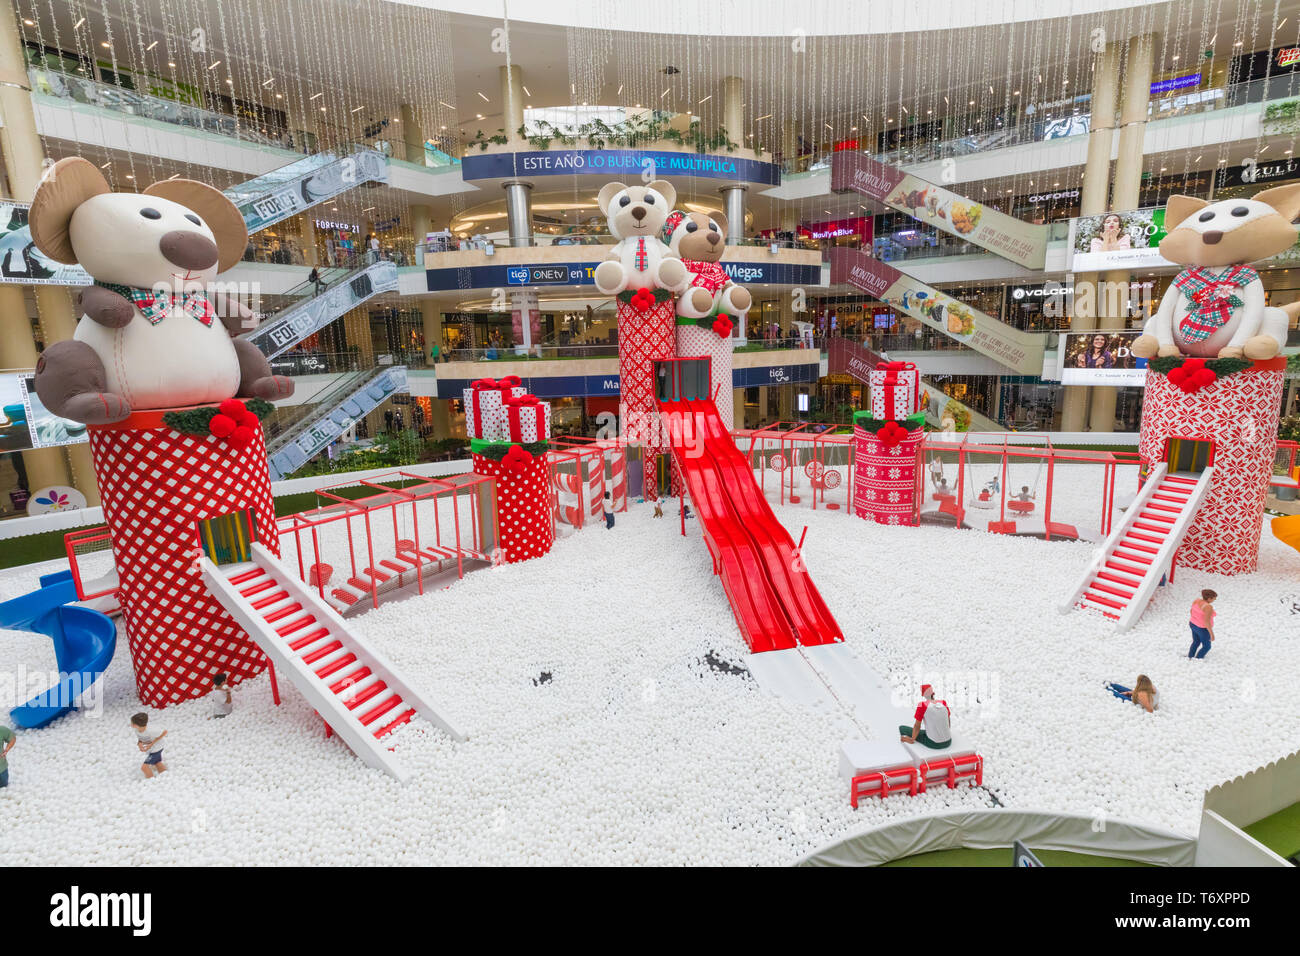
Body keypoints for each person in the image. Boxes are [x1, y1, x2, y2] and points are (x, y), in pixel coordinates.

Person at [900, 684, 952, 749]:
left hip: (934, 744)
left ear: (923, 695)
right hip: (948, 741)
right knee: (925, 731)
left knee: (902, 728)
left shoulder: (922, 705)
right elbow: (948, 722)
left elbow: (917, 726)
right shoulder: (943, 702)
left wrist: (912, 739)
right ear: (933, 693)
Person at [131, 712, 168, 778]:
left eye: (132, 723)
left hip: (156, 749)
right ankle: (165, 776)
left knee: (144, 767)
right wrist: (139, 744)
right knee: (157, 762)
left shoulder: (151, 730)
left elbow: (164, 732)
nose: (131, 725)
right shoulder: (137, 730)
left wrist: (152, 743)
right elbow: (141, 738)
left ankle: (151, 781)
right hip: (151, 750)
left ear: (137, 725)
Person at [1189, 589, 1217, 659]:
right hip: (1202, 628)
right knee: (1207, 646)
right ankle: (1198, 658)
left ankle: (1190, 656)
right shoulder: (1208, 607)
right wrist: (1211, 634)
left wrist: (1194, 619)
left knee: (1196, 642)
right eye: (1214, 599)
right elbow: (1206, 622)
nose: (1214, 600)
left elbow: (1191, 611)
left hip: (1193, 624)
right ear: (1209, 598)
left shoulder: (1197, 600)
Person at [0, 723, 14, 788]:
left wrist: (7, 749)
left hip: (2, 769)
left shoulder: (1, 730)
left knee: (3, 786)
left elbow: (12, 738)